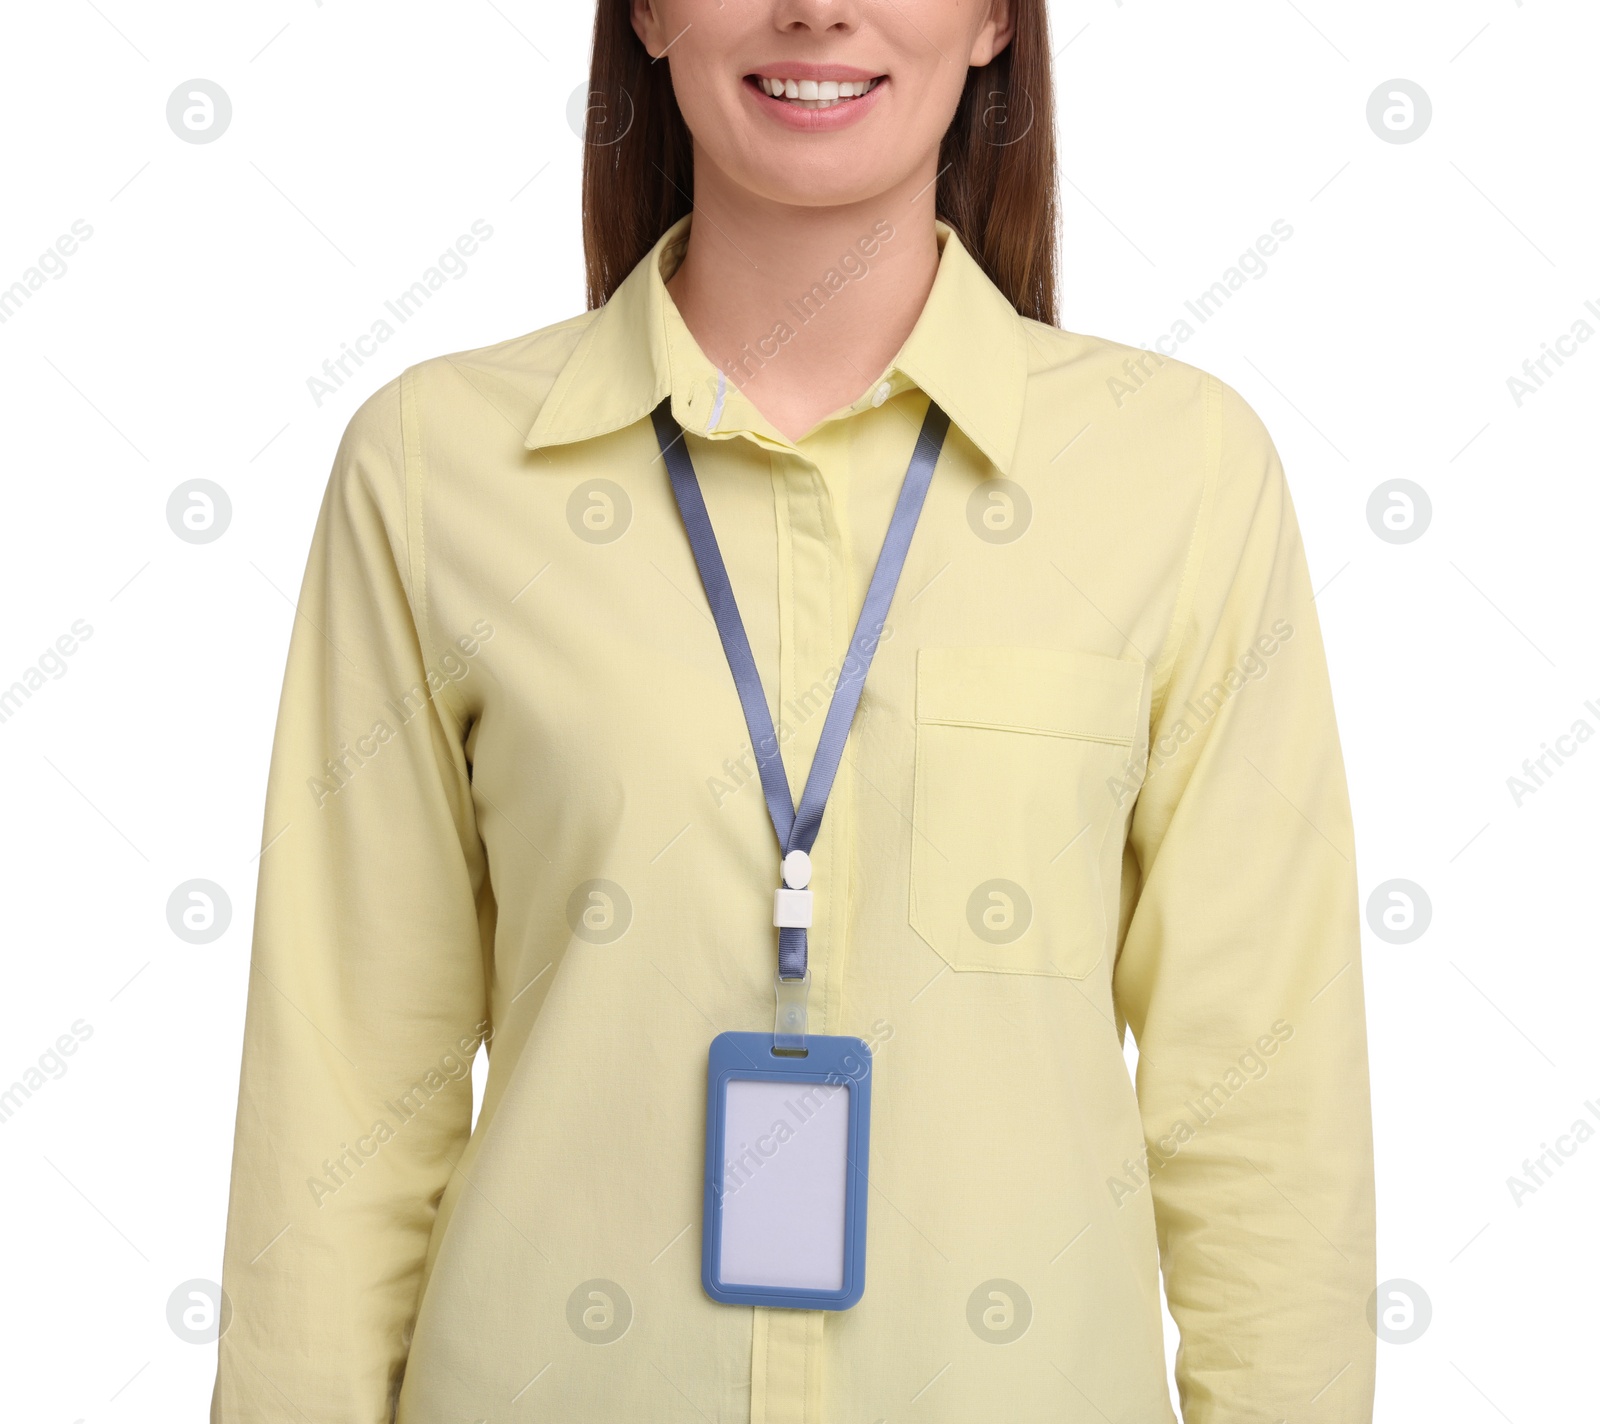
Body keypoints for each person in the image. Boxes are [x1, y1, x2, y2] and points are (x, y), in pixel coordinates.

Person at [212, 1, 1376, 1420]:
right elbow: (345, 1088)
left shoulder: (1180, 474)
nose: (818, 8)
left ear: (996, 20)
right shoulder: (433, 467)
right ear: (646, 12)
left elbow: (1259, 1094)